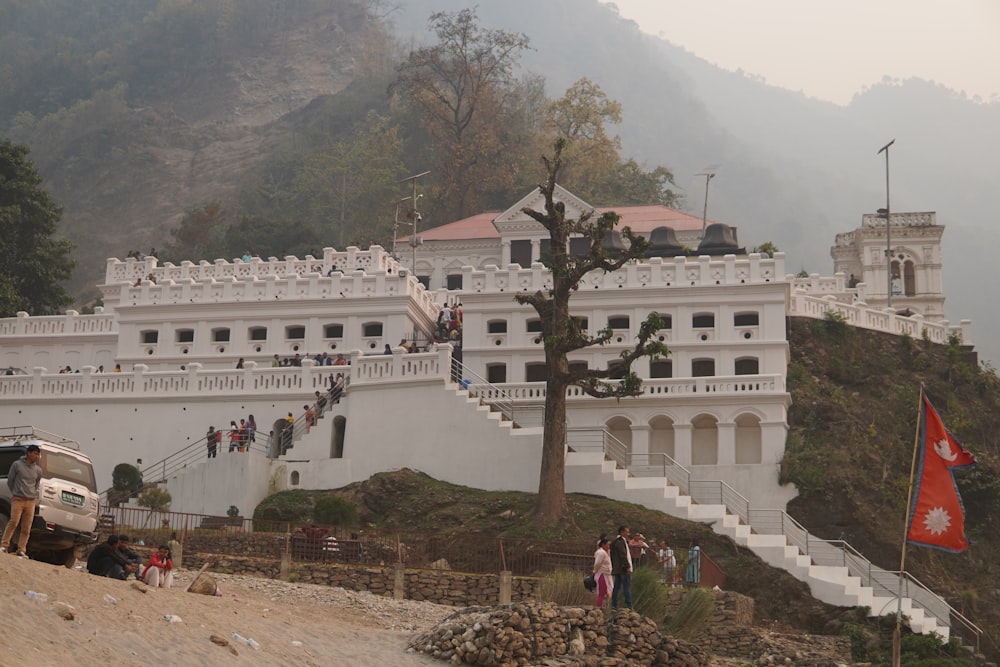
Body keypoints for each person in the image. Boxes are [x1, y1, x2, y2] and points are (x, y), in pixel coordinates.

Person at [0, 444, 42, 558]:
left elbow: (36, 484)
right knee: (13, 522)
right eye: (34, 453)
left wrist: (31, 494)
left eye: (38, 454)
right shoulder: (17, 465)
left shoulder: (38, 470)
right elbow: (10, 480)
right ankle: (4, 545)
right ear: (28, 453)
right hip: (18, 499)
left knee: (26, 527)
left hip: (30, 502)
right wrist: (16, 492)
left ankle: (22, 549)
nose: (36, 456)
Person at [610, 525, 632, 608]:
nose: (628, 533)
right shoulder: (620, 542)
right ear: (622, 532)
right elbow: (623, 555)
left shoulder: (616, 542)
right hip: (622, 568)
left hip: (617, 568)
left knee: (617, 586)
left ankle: (614, 604)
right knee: (626, 586)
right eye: (627, 531)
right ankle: (628, 604)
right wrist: (627, 566)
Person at [592, 535, 612, 608]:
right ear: (603, 545)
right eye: (608, 544)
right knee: (602, 592)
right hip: (602, 574)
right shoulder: (601, 553)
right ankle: (599, 607)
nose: (609, 546)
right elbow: (597, 563)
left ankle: (604, 606)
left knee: (607, 592)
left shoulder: (605, 552)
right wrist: (594, 571)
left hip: (606, 574)